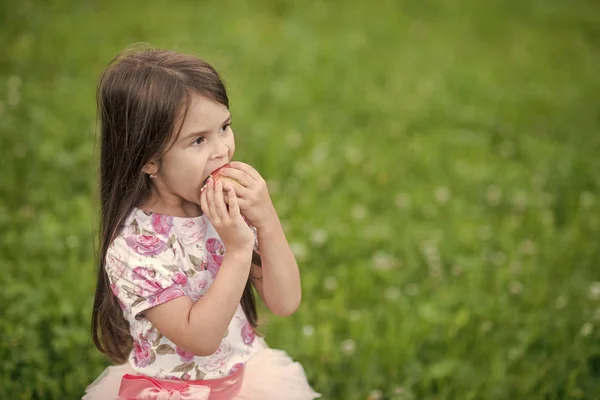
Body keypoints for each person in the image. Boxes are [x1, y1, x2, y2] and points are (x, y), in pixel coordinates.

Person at [83, 47, 321, 399]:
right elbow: (200, 339)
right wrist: (238, 249)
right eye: (198, 140)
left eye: (224, 127)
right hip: (174, 391)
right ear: (148, 159)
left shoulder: (223, 208)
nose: (222, 150)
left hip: (249, 378)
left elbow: (284, 302)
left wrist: (266, 220)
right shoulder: (135, 248)